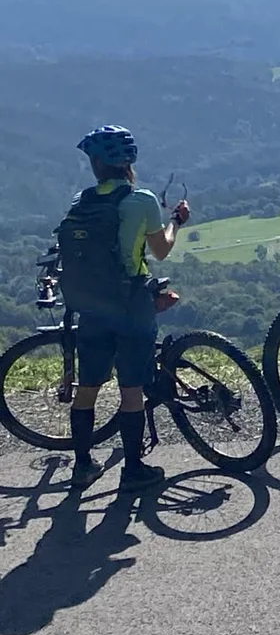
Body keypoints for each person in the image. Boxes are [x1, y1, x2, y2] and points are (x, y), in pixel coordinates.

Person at [64, 126, 190, 493]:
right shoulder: (141, 201)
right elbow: (161, 250)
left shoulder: (81, 202)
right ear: (128, 163)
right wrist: (177, 222)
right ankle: (133, 470)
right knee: (131, 390)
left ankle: (83, 466)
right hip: (130, 302)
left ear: (97, 164)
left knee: (87, 389)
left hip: (91, 305)